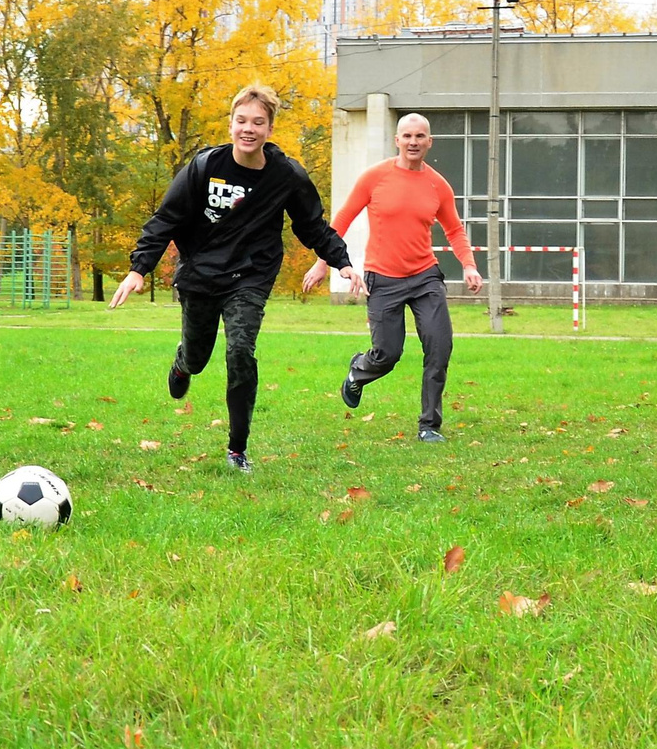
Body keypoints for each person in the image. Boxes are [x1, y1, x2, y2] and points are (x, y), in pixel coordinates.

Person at [113, 83, 356, 473]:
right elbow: (166, 219)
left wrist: (340, 260)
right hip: (200, 274)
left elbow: (311, 224)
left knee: (240, 351)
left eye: (258, 122)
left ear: (269, 129)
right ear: (230, 125)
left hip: (250, 276)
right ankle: (183, 363)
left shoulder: (286, 175)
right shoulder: (205, 167)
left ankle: (237, 449)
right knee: (198, 357)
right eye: (242, 121)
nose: (249, 129)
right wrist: (138, 269)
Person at [306, 112, 483, 442]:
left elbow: (455, 230)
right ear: (397, 140)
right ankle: (359, 371)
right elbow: (342, 219)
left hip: (425, 277)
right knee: (387, 354)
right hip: (383, 279)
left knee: (439, 348)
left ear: (429, 142)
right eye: (407, 136)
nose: (413, 142)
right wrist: (322, 263)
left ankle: (429, 425)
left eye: (420, 136)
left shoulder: (438, 185)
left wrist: (469, 265)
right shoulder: (374, 177)